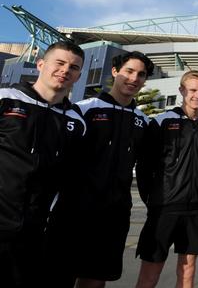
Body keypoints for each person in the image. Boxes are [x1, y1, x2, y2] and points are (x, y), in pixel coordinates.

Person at [47, 51, 154, 287]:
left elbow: (147, 168)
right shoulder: (83, 109)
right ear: (115, 71)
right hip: (73, 213)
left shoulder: (143, 121)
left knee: (96, 281)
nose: (134, 78)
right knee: (60, 277)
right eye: (128, 71)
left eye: (141, 75)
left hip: (114, 215)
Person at [0, 41, 86, 288]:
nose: (65, 70)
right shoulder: (6, 99)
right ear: (40, 64)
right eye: (59, 63)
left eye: (73, 67)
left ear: (78, 76)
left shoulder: (76, 121)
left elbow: (71, 173)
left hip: (37, 230)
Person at [135, 70, 198, 288]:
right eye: (192, 90)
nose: (197, 95)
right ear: (182, 90)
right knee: (150, 271)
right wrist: (152, 200)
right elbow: (144, 167)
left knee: (188, 269)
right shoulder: (161, 122)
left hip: (196, 209)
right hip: (164, 208)